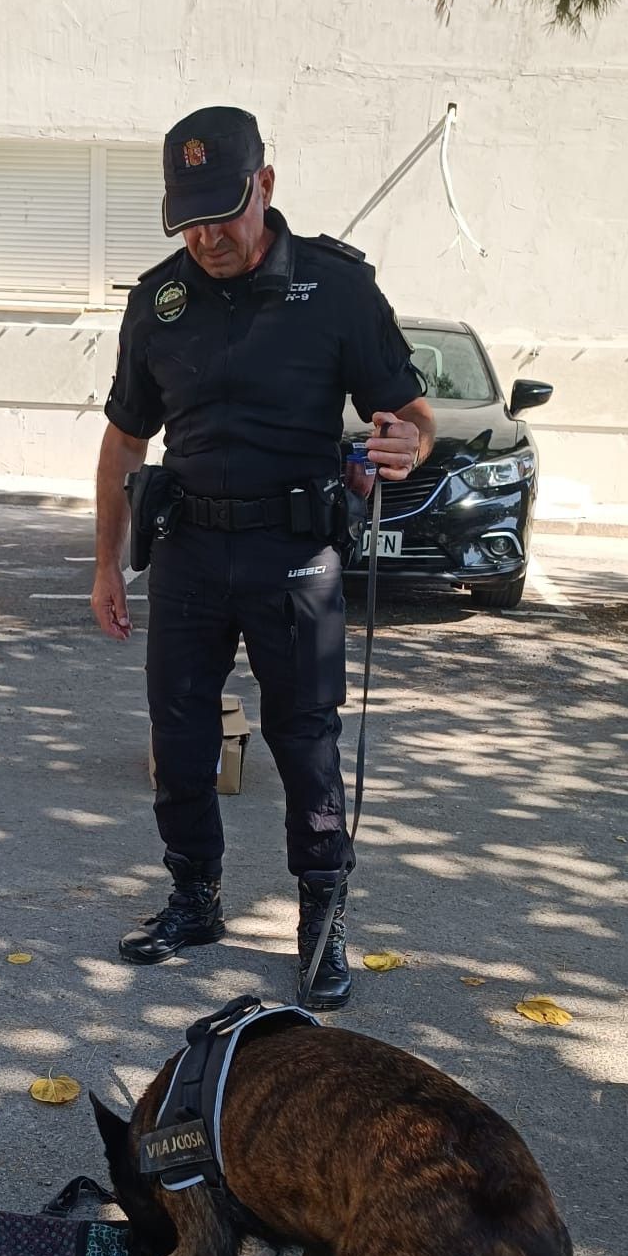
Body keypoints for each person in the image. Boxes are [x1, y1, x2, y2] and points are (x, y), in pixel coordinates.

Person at [90, 105, 435, 1009]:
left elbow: (411, 415)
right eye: (188, 221)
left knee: (304, 740)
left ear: (265, 186)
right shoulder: (157, 301)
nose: (206, 238)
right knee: (180, 734)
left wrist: (407, 442)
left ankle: (321, 920)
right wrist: (106, 563)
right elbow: (125, 440)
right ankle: (194, 899)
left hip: (295, 554)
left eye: (222, 214)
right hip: (189, 554)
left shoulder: (337, 289)